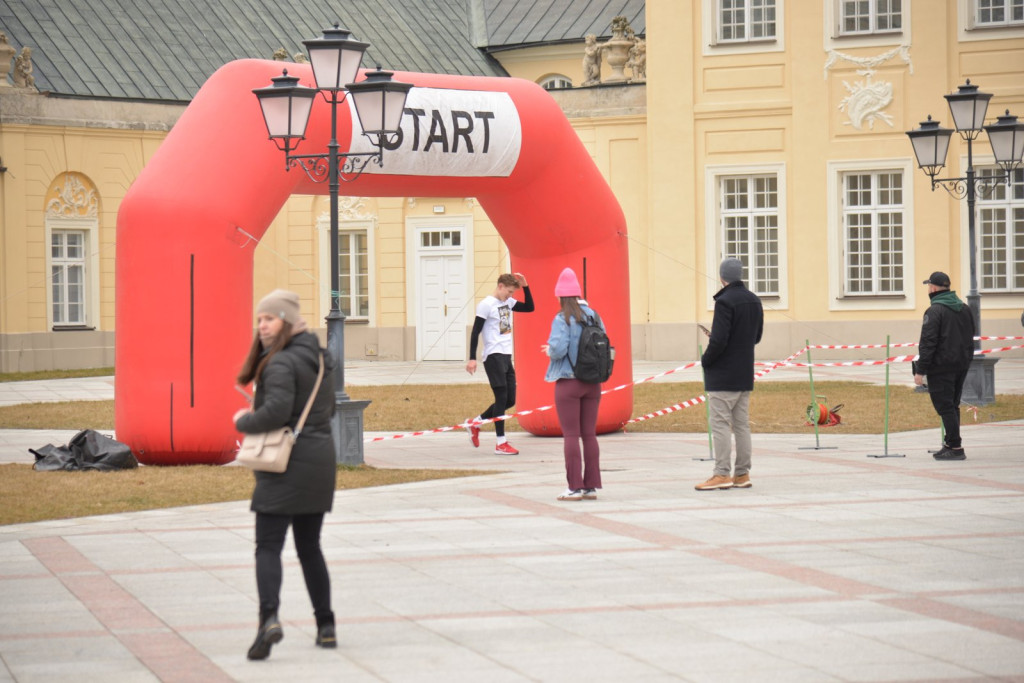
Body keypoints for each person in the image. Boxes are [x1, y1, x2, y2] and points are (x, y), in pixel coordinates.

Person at [233, 289, 338, 660]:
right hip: (320, 463)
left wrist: (243, 420)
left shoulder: (279, 364)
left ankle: (269, 621)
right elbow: (330, 411)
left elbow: (276, 412)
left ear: (287, 322)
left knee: (268, 545)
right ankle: (326, 626)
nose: (262, 326)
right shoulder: (321, 359)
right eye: (259, 319)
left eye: (270, 319)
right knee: (310, 547)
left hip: (285, 465)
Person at [696, 258, 764, 491]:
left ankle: (722, 473)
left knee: (721, 425)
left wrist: (706, 360)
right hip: (744, 372)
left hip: (723, 375)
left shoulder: (724, 302)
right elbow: (756, 337)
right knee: (742, 425)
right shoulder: (754, 300)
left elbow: (719, 341)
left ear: (722, 277)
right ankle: (742, 473)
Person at [542, 268, 604, 501]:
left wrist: (548, 349)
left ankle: (574, 487)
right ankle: (590, 486)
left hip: (569, 381)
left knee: (571, 435)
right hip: (593, 382)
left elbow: (558, 350)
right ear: (578, 294)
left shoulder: (562, 318)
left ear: (561, 296)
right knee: (589, 434)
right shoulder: (595, 315)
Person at [466, 273, 534, 454]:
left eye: (513, 293)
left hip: (506, 355)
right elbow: (475, 332)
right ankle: (500, 443)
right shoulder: (486, 305)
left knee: (510, 399)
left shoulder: (508, 303)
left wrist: (525, 286)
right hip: (493, 355)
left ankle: (476, 423)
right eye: (509, 292)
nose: (510, 296)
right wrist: (472, 358)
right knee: (501, 397)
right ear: (500, 286)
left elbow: (529, 308)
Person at [914, 271, 975, 461]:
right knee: (952, 404)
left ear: (933, 288)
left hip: (941, 367)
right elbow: (970, 336)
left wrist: (920, 370)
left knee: (944, 406)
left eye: (929, 286)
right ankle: (950, 443)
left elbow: (928, 343)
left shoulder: (934, 311)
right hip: (961, 364)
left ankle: (955, 446)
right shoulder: (964, 308)